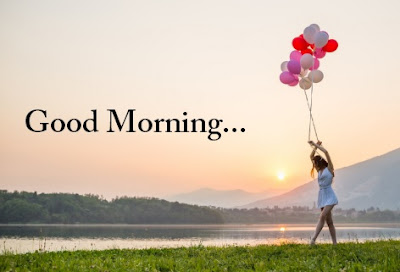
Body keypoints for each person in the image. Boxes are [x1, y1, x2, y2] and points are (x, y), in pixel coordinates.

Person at [308, 140, 338, 245]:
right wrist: (315, 146)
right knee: (329, 222)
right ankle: (335, 244)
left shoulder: (329, 169)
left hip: (330, 196)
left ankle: (313, 240)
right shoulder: (318, 171)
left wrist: (316, 145)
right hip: (322, 196)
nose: (314, 166)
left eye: (315, 163)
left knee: (322, 216)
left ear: (319, 162)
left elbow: (326, 152)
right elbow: (311, 156)